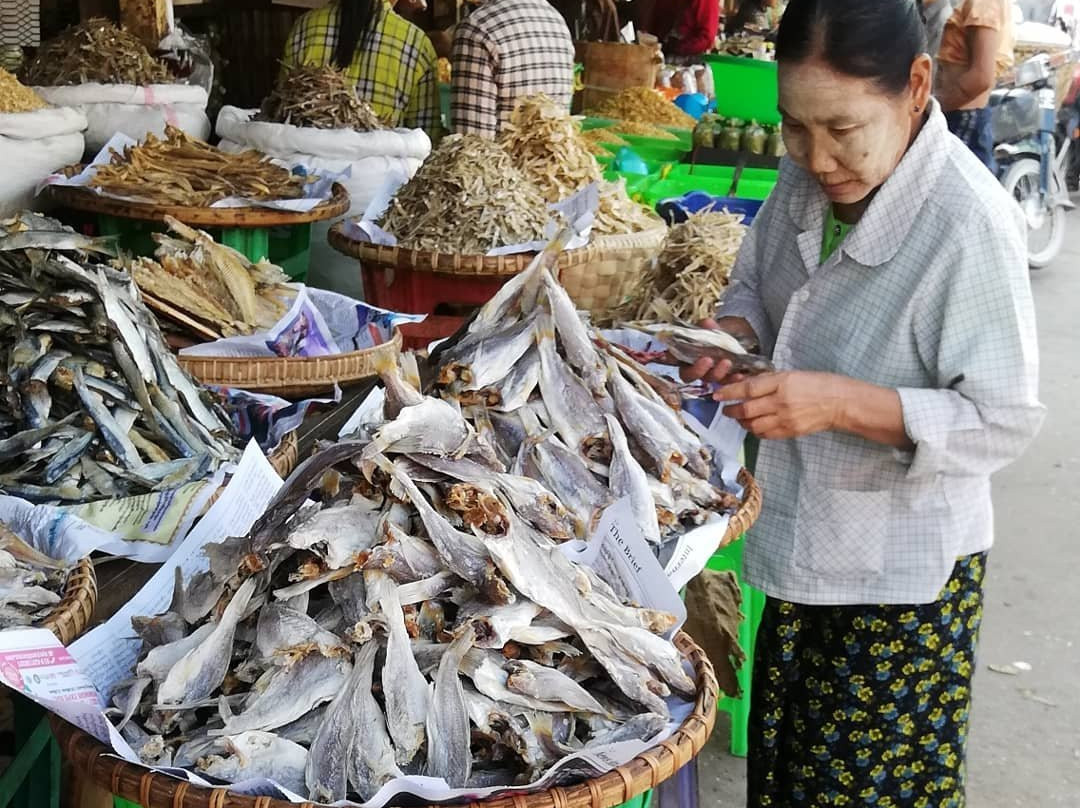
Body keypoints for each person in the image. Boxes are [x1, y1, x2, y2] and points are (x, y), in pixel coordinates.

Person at [679, 0, 1044, 804]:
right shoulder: (806, 180)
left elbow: (1003, 416)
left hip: (900, 586)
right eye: (795, 128)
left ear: (918, 86)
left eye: (843, 129)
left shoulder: (966, 221)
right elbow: (755, 285)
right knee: (788, 777)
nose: (817, 155)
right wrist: (733, 331)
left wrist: (840, 403)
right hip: (803, 548)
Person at [282, 0, 440, 134]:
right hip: (383, 168)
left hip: (302, 168)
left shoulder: (304, 27)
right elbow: (425, 137)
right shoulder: (417, 43)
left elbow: (282, 112)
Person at [450, 0, 575, 138]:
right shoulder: (556, 21)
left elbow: (470, 145)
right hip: (558, 158)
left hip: (505, 158)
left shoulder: (477, 28)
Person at [935, 0, 1014, 170]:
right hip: (958, 115)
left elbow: (980, 77)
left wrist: (931, 108)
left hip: (963, 118)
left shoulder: (983, 3)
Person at [648, 0, 722, 58]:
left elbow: (707, 38)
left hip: (687, 62)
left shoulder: (707, 2)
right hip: (657, 52)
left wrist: (677, 48)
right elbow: (655, 23)